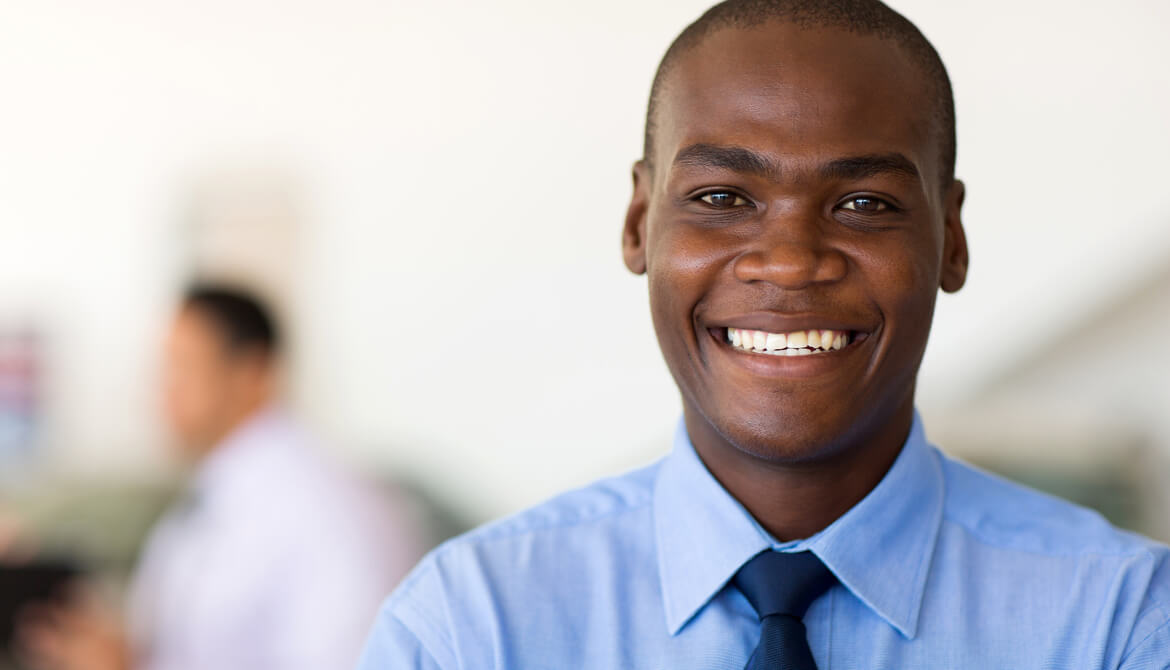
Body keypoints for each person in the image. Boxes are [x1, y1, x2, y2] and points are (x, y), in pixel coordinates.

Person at [355, 1, 1170, 668]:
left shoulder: (1119, 623)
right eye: (720, 198)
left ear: (950, 239)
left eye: (864, 204)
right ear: (640, 222)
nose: (788, 263)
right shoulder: (471, 627)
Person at [21, 284, 427, 670]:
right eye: (162, 368)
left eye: (182, 366)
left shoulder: (324, 508)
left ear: (253, 371)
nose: (162, 389)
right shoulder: (217, 492)